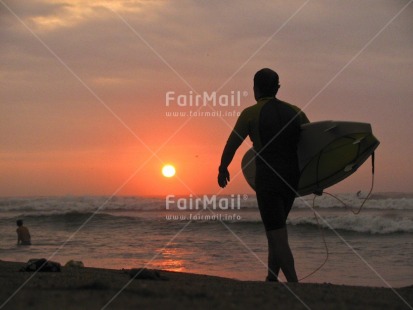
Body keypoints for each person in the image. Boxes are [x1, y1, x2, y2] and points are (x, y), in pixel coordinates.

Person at [218, 68, 309, 282]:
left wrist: (223, 167)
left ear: (255, 88)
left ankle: (295, 285)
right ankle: (271, 278)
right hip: (291, 179)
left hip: (268, 179)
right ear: (277, 88)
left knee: (277, 234)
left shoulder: (250, 113)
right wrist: (317, 179)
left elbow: (232, 143)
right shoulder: (296, 111)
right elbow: (310, 146)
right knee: (275, 230)